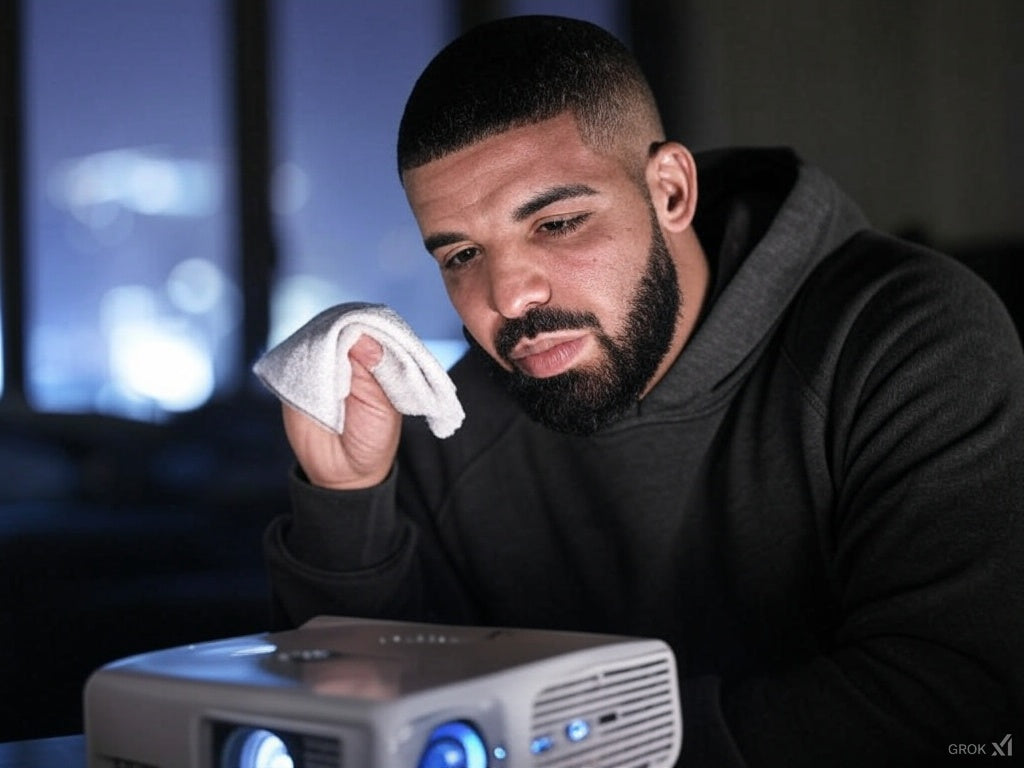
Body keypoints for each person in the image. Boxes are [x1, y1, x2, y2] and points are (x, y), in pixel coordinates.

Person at [262, 15, 1024, 767]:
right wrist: (348, 497)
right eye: (462, 253)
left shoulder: (909, 336)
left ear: (670, 190)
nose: (510, 295)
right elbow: (362, 728)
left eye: (557, 223)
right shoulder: (456, 423)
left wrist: (556, 743)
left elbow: (961, 710)